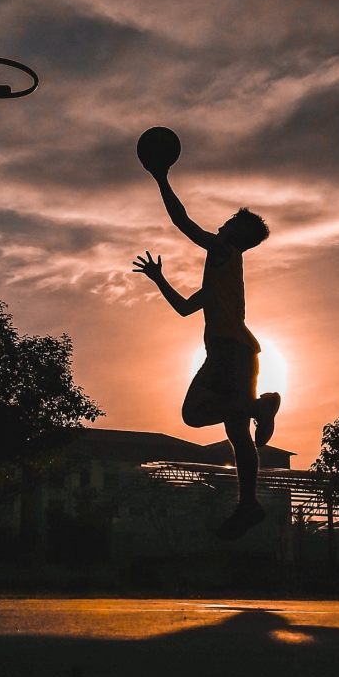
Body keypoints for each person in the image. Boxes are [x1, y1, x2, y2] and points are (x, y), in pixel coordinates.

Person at [132, 165, 280, 540]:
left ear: (234, 232)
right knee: (238, 434)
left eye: (230, 221)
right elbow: (184, 308)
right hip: (240, 353)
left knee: (194, 414)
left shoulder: (222, 249)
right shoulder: (224, 272)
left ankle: (260, 407)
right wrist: (159, 278)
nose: (222, 224)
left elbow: (182, 221)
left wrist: (161, 178)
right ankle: (248, 504)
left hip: (229, 353)